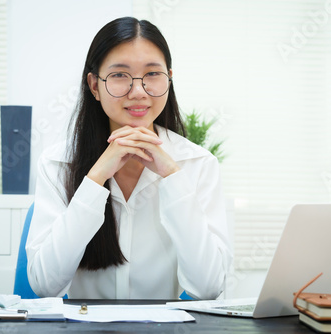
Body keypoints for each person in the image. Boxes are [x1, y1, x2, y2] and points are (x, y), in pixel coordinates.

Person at [26, 17, 232, 300]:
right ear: (94, 85)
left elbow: (207, 287)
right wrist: (95, 179)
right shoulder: (57, 163)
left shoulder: (197, 164)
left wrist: (173, 175)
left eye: (152, 74)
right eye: (120, 75)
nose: (138, 91)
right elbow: (44, 285)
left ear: (169, 79)